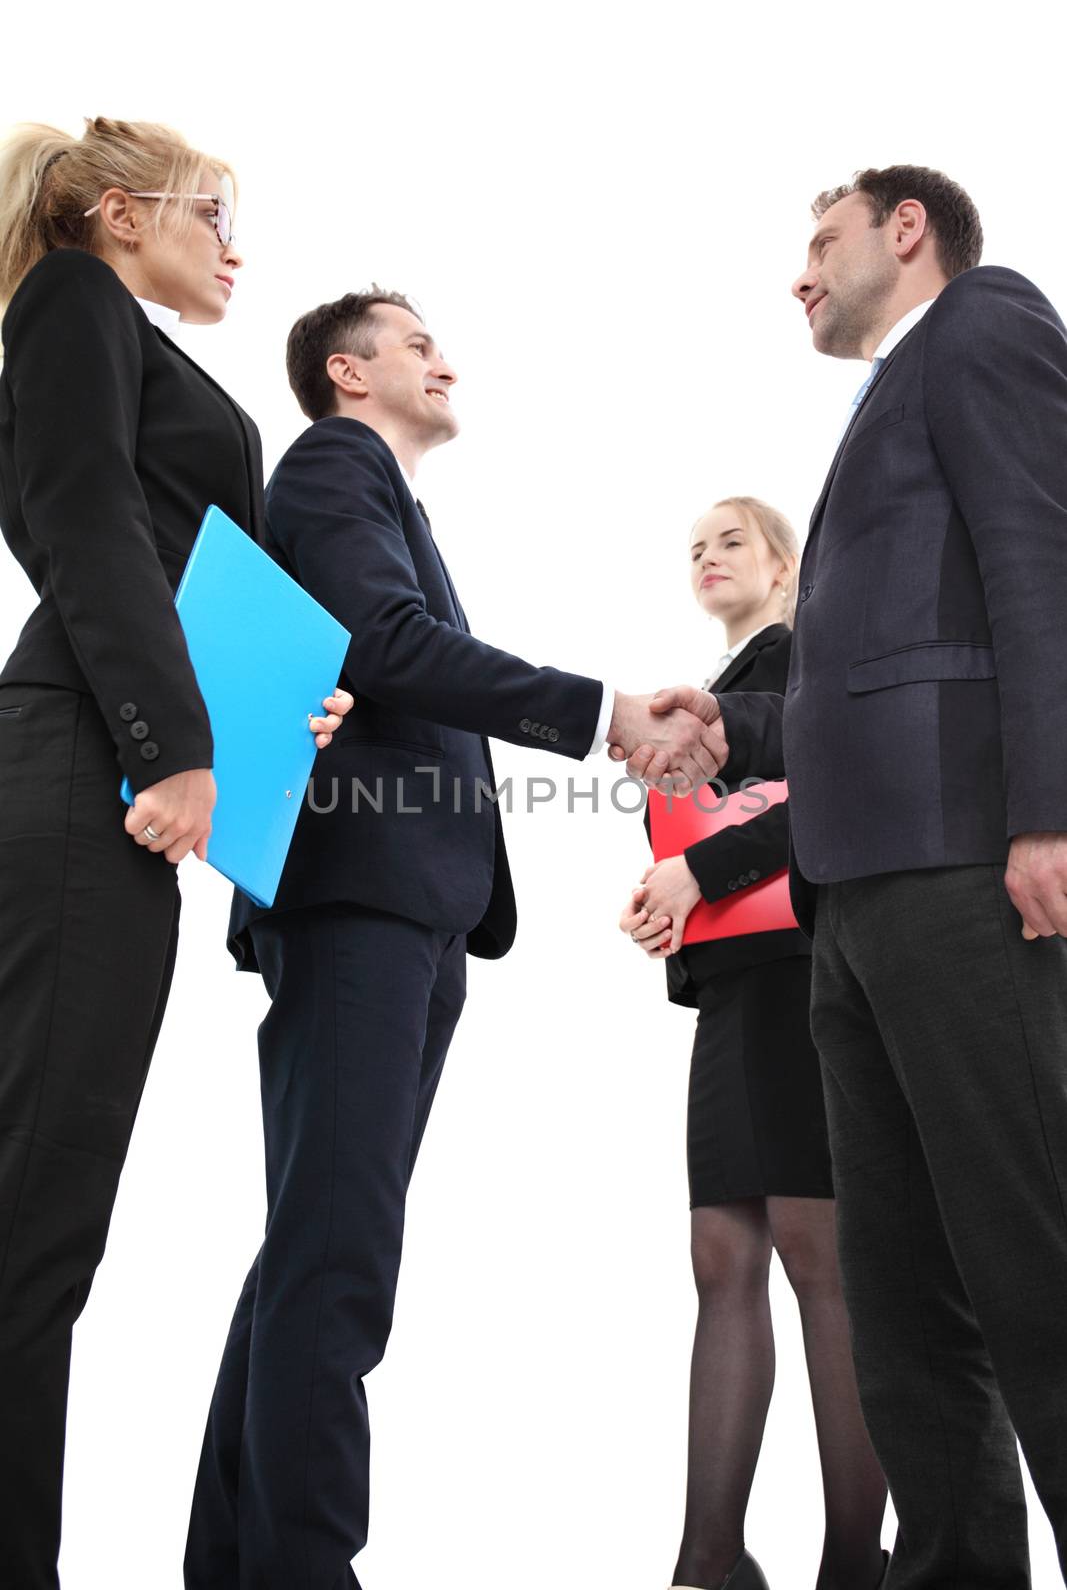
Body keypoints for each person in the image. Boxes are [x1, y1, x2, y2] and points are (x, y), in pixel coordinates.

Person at [182, 285, 723, 1590]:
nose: (443, 359)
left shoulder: (387, 497)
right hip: (358, 899)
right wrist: (599, 715)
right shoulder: (330, 466)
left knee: (314, 1249)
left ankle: (241, 1567)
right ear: (344, 372)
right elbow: (387, 643)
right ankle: (304, 1569)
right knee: (338, 1258)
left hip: (411, 910)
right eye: (416, 342)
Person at [617, 167, 1067, 1586]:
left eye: (817, 242)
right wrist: (726, 721)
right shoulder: (877, 405)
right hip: (850, 907)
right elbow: (859, 668)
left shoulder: (984, 322)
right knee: (897, 1288)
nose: (798, 273)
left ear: (904, 229)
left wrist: (1047, 813)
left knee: (1028, 1257)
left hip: (956, 866)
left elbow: (1037, 565)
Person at [0, 116, 349, 1589]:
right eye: (215, 221)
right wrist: (177, 746)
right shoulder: (75, 298)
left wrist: (275, 709)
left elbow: (164, 546)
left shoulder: (109, 325)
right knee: (38, 1210)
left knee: (37, 1204)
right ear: (124, 215)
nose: (234, 252)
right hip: (89, 762)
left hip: (103, 758)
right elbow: (78, 517)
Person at [619, 497, 888, 1590]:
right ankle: (708, 1560)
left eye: (730, 539)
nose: (705, 557)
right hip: (732, 990)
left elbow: (834, 785)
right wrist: (666, 905)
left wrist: (697, 878)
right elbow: (702, 835)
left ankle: (848, 1563)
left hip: (797, 978)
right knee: (721, 1254)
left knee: (817, 1258)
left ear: (783, 566)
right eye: (692, 547)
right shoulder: (720, 689)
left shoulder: (805, 653)